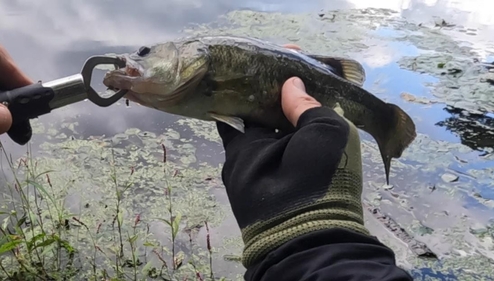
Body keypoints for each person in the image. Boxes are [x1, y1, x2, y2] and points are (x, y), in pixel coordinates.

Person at [0, 44, 413, 280]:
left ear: (191, 58)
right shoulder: (190, 78)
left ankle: (384, 125)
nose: (136, 59)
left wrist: (305, 239)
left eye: (145, 53)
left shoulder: (205, 67)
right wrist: (319, 242)